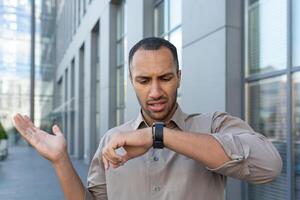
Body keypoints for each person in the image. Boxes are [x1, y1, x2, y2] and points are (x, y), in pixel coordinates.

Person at [13, 37, 282, 200]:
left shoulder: (212, 125)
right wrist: (61, 161)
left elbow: (269, 166)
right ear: (131, 81)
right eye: (144, 80)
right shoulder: (112, 139)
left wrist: (157, 136)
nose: (155, 92)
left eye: (165, 78)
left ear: (179, 76)